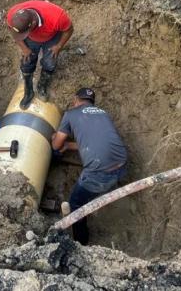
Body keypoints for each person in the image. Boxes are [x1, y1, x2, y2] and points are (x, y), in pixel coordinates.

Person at [52, 87, 127, 245]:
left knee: (75, 204)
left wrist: (56, 142)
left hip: (99, 175)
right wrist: (70, 145)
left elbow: (56, 145)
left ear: (75, 100)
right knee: (99, 177)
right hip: (121, 166)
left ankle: (81, 242)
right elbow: (93, 141)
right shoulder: (102, 113)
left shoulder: (71, 114)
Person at [6, 0, 73, 109]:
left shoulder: (57, 17)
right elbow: (13, 32)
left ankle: (42, 86)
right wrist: (24, 48)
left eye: (24, 33)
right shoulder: (13, 14)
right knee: (26, 62)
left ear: (33, 23)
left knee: (49, 62)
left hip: (52, 37)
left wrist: (59, 46)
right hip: (32, 38)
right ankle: (29, 92)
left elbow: (69, 29)